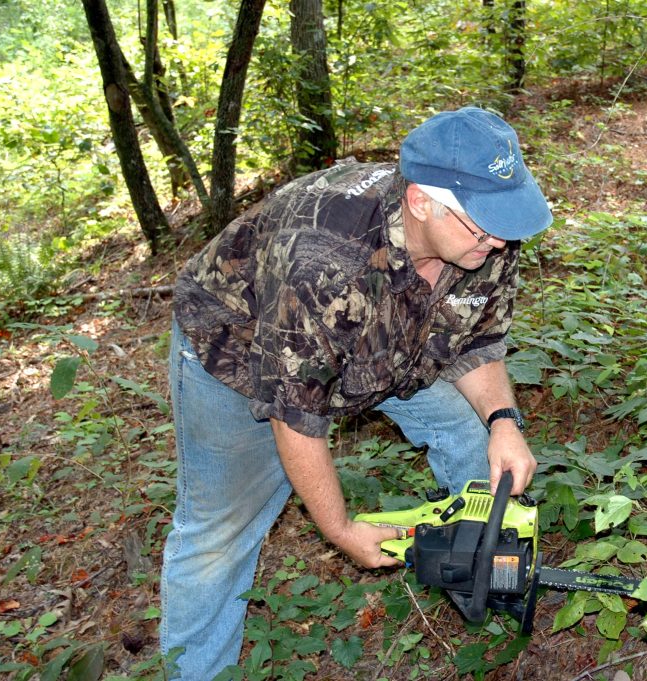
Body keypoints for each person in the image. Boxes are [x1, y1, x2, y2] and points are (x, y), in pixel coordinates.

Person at [160, 107, 552, 678]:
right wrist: (341, 531)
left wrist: (504, 421)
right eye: (484, 226)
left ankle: (485, 573)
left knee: (477, 446)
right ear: (421, 201)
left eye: (505, 222)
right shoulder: (321, 259)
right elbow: (297, 413)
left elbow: (477, 337)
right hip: (240, 350)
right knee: (219, 534)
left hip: (389, 342)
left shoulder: (480, 235)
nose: (498, 243)